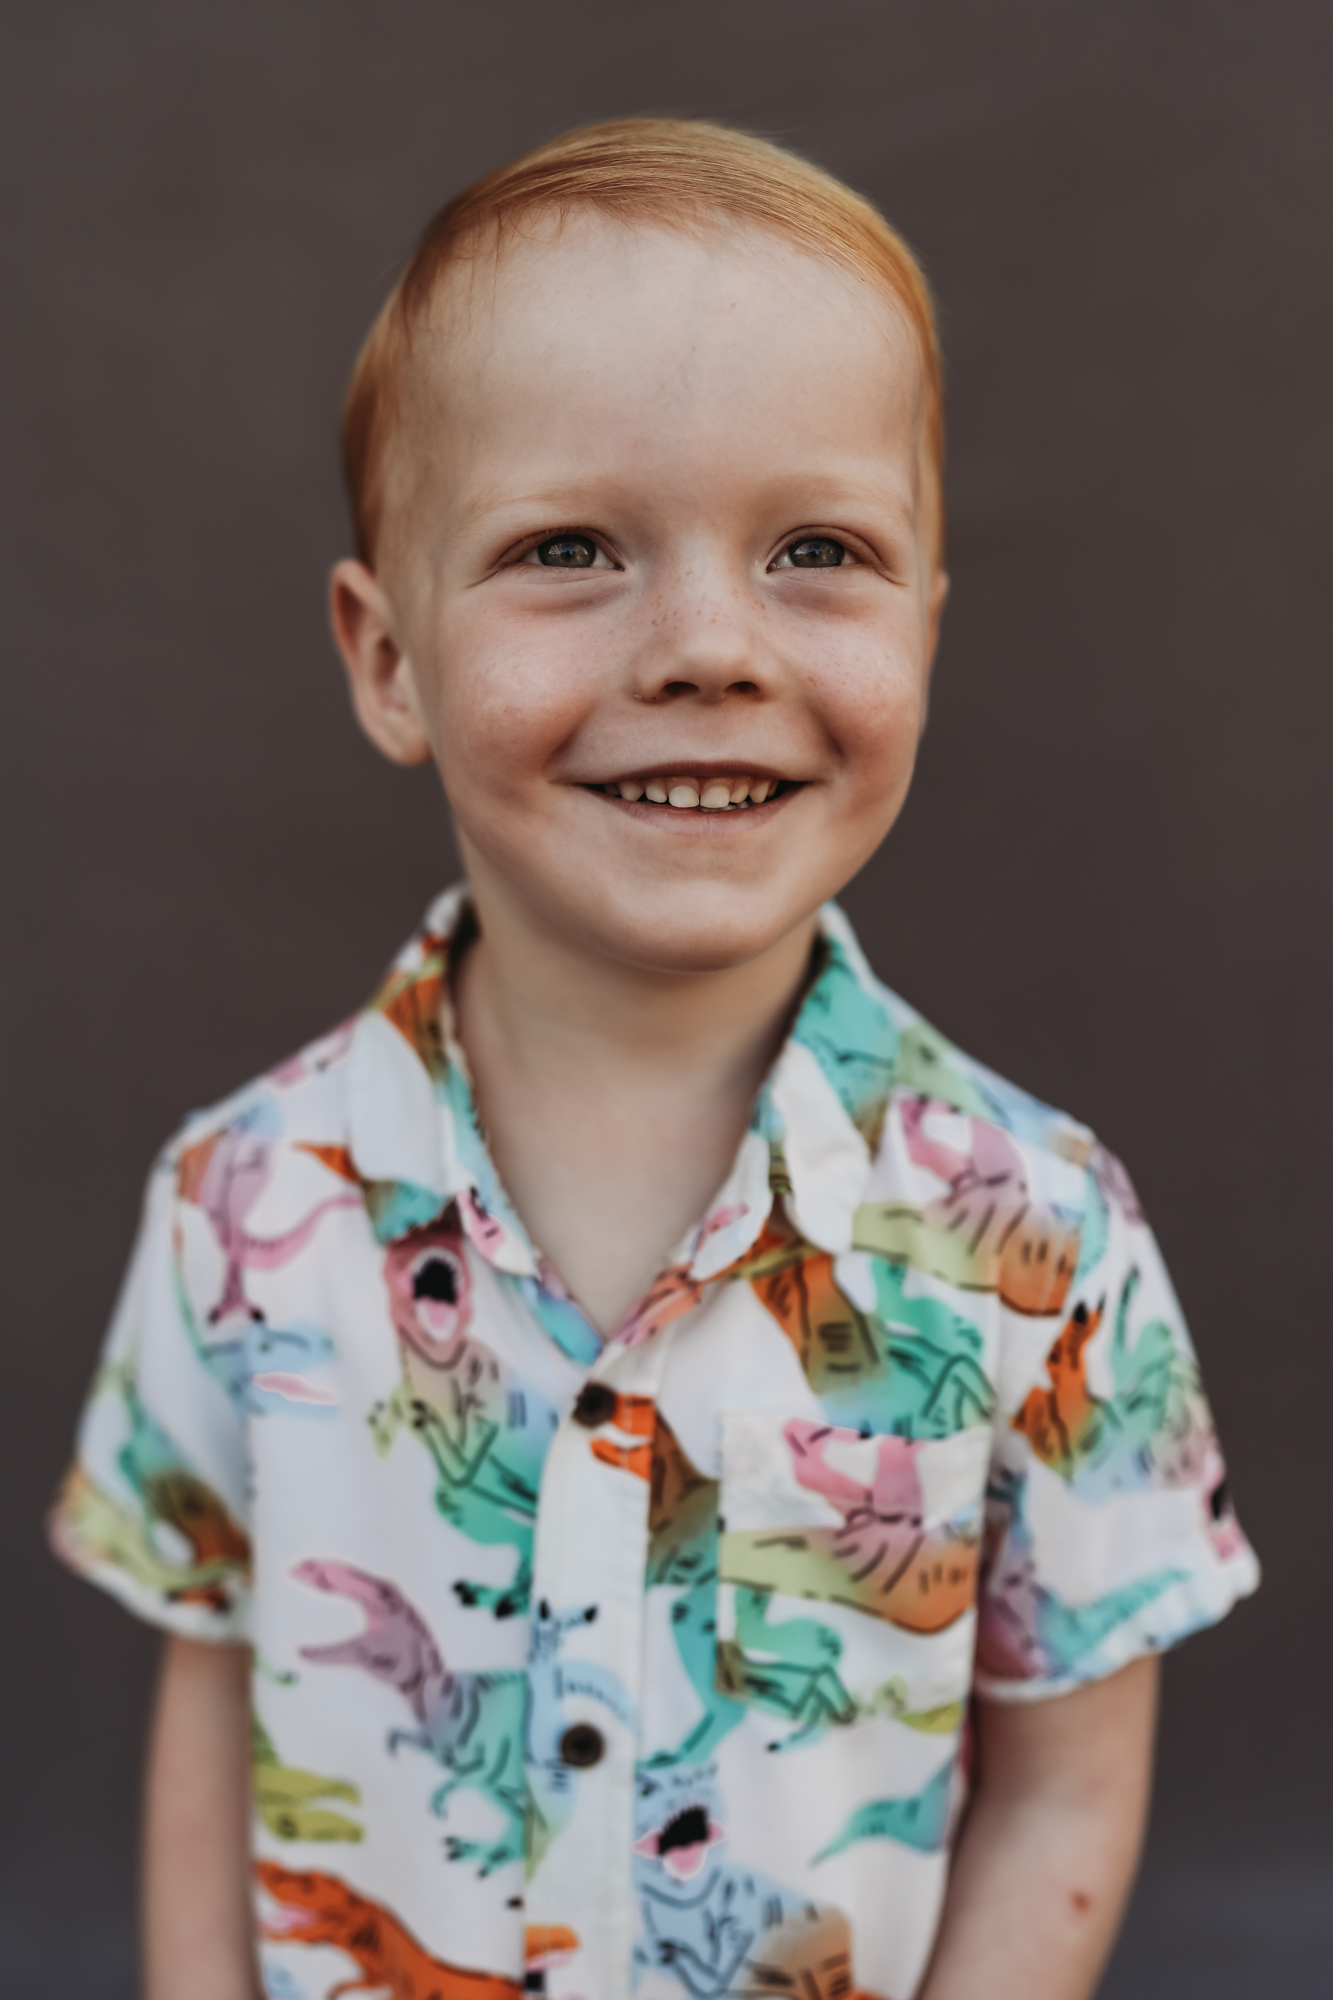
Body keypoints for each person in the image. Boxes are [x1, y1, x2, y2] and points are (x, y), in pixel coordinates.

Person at [50, 118, 1258, 2000]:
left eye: (817, 552)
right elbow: (220, 1697)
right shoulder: (238, 1202)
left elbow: (1065, 1797)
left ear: (924, 636)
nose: (706, 643)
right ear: (388, 661)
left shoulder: (1045, 1236)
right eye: (566, 548)